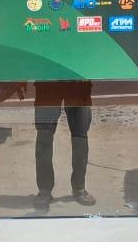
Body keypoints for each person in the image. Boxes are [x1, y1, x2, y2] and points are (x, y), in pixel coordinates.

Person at [32, 79, 96, 212]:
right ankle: (44, 190)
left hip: (77, 79)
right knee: (44, 136)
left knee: (80, 135)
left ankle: (79, 187)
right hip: (48, 78)